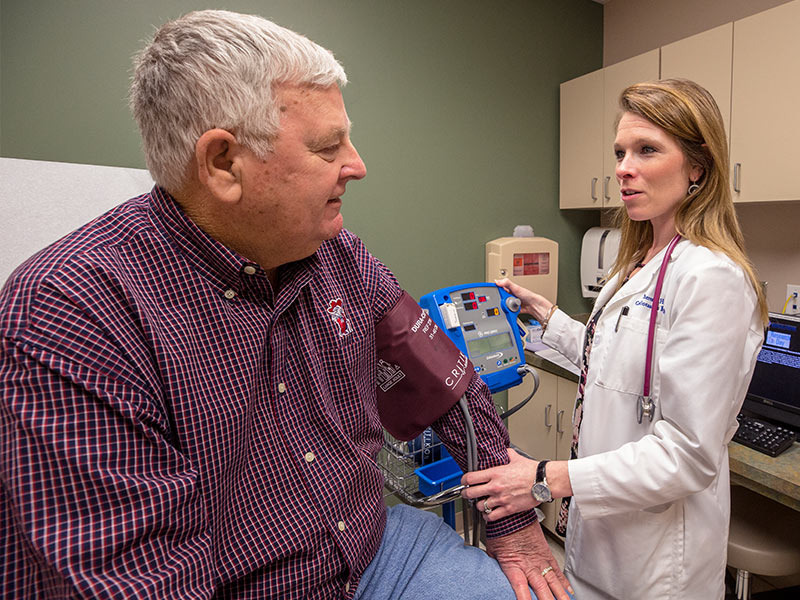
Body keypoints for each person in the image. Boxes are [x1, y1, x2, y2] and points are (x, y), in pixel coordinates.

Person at [0, 10, 572, 600]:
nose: (358, 164)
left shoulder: (341, 257)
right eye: (329, 147)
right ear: (223, 163)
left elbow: (445, 384)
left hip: (377, 551)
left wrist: (515, 523)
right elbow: (130, 579)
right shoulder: (72, 308)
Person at [462, 78, 768, 599]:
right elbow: (616, 363)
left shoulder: (711, 277)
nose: (624, 168)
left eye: (647, 150)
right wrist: (551, 318)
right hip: (599, 537)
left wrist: (544, 477)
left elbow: (686, 454)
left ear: (698, 167)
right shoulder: (636, 263)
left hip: (657, 564)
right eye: (620, 152)